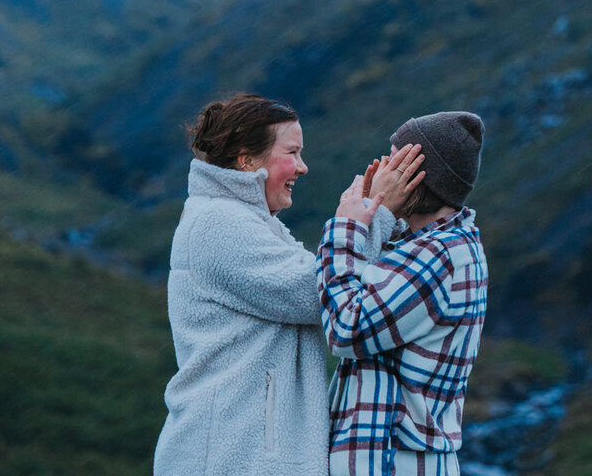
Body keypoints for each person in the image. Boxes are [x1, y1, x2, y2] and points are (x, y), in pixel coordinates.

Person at [152, 93, 421, 475]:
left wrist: (365, 220)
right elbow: (324, 296)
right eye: (292, 153)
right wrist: (373, 214)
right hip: (229, 459)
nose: (303, 167)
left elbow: (332, 279)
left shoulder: (248, 220)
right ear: (247, 160)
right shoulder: (218, 223)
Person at [318, 111, 489, 476]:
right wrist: (375, 221)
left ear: (420, 179)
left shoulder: (440, 255)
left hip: (393, 462)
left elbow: (346, 327)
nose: (382, 172)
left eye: (396, 164)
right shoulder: (430, 247)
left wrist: (346, 229)